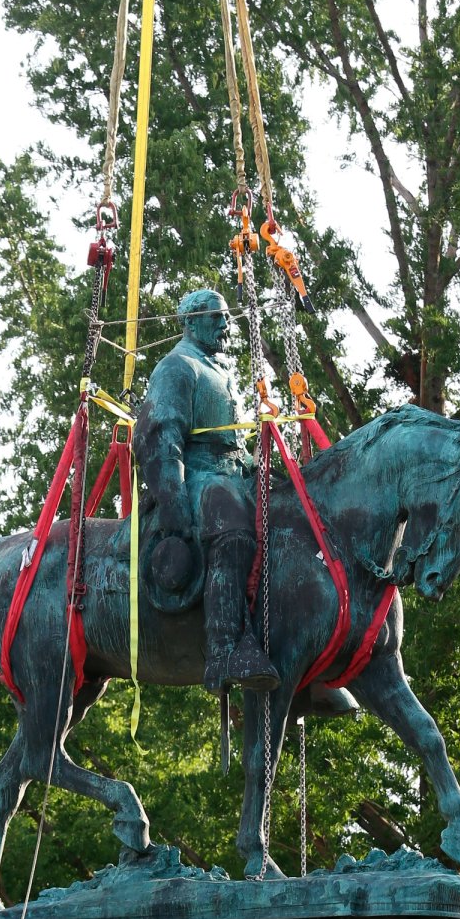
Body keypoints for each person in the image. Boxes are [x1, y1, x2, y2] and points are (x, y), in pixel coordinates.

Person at [133, 288, 279, 694]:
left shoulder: (220, 371)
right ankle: (224, 651)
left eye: (226, 318)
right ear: (190, 321)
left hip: (230, 473)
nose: (225, 325)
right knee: (231, 527)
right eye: (216, 317)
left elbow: (232, 440)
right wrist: (173, 500)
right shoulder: (177, 367)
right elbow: (161, 437)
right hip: (195, 476)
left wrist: (257, 467)